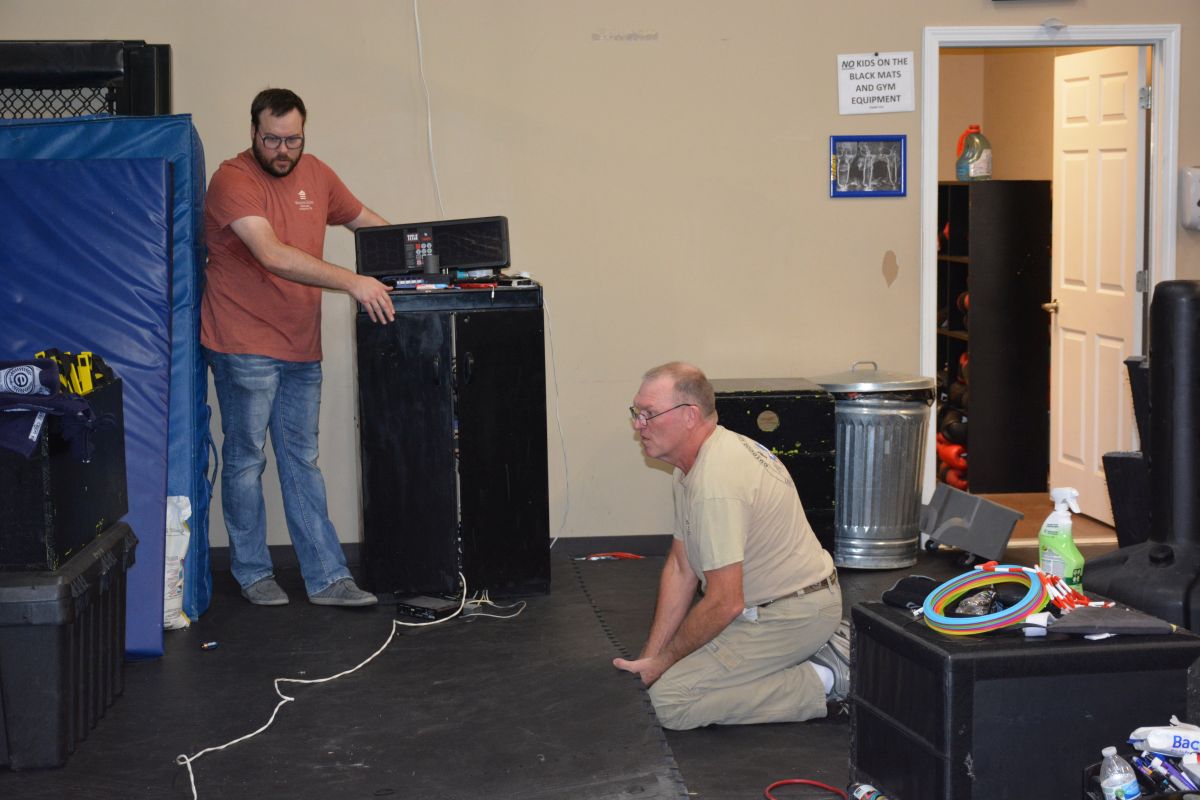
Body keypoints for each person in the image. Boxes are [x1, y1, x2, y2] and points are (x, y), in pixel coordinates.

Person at [201, 87, 395, 607]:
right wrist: (354, 282)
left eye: (293, 140)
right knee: (246, 460)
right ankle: (252, 571)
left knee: (302, 461)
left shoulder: (317, 174)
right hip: (242, 342)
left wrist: (427, 254)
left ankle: (328, 578)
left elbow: (368, 225)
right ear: (253, 132)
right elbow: (271, 254)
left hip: (300, 345)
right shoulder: (232, 179)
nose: (283, 150)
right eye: (272, 139)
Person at [613, 362, 850, 729]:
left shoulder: (717, 482)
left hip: (791, 615)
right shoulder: (692, 465)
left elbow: (724, 602)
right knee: (660, 681)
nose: (638, 425)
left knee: (669, 703)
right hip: (762, 608)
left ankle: (827, 677)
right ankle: (812, 656)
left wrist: (662, 667)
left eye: (649, 414)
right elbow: (681, 567)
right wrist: (651, 661)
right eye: (637, 413)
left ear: (689, 416)